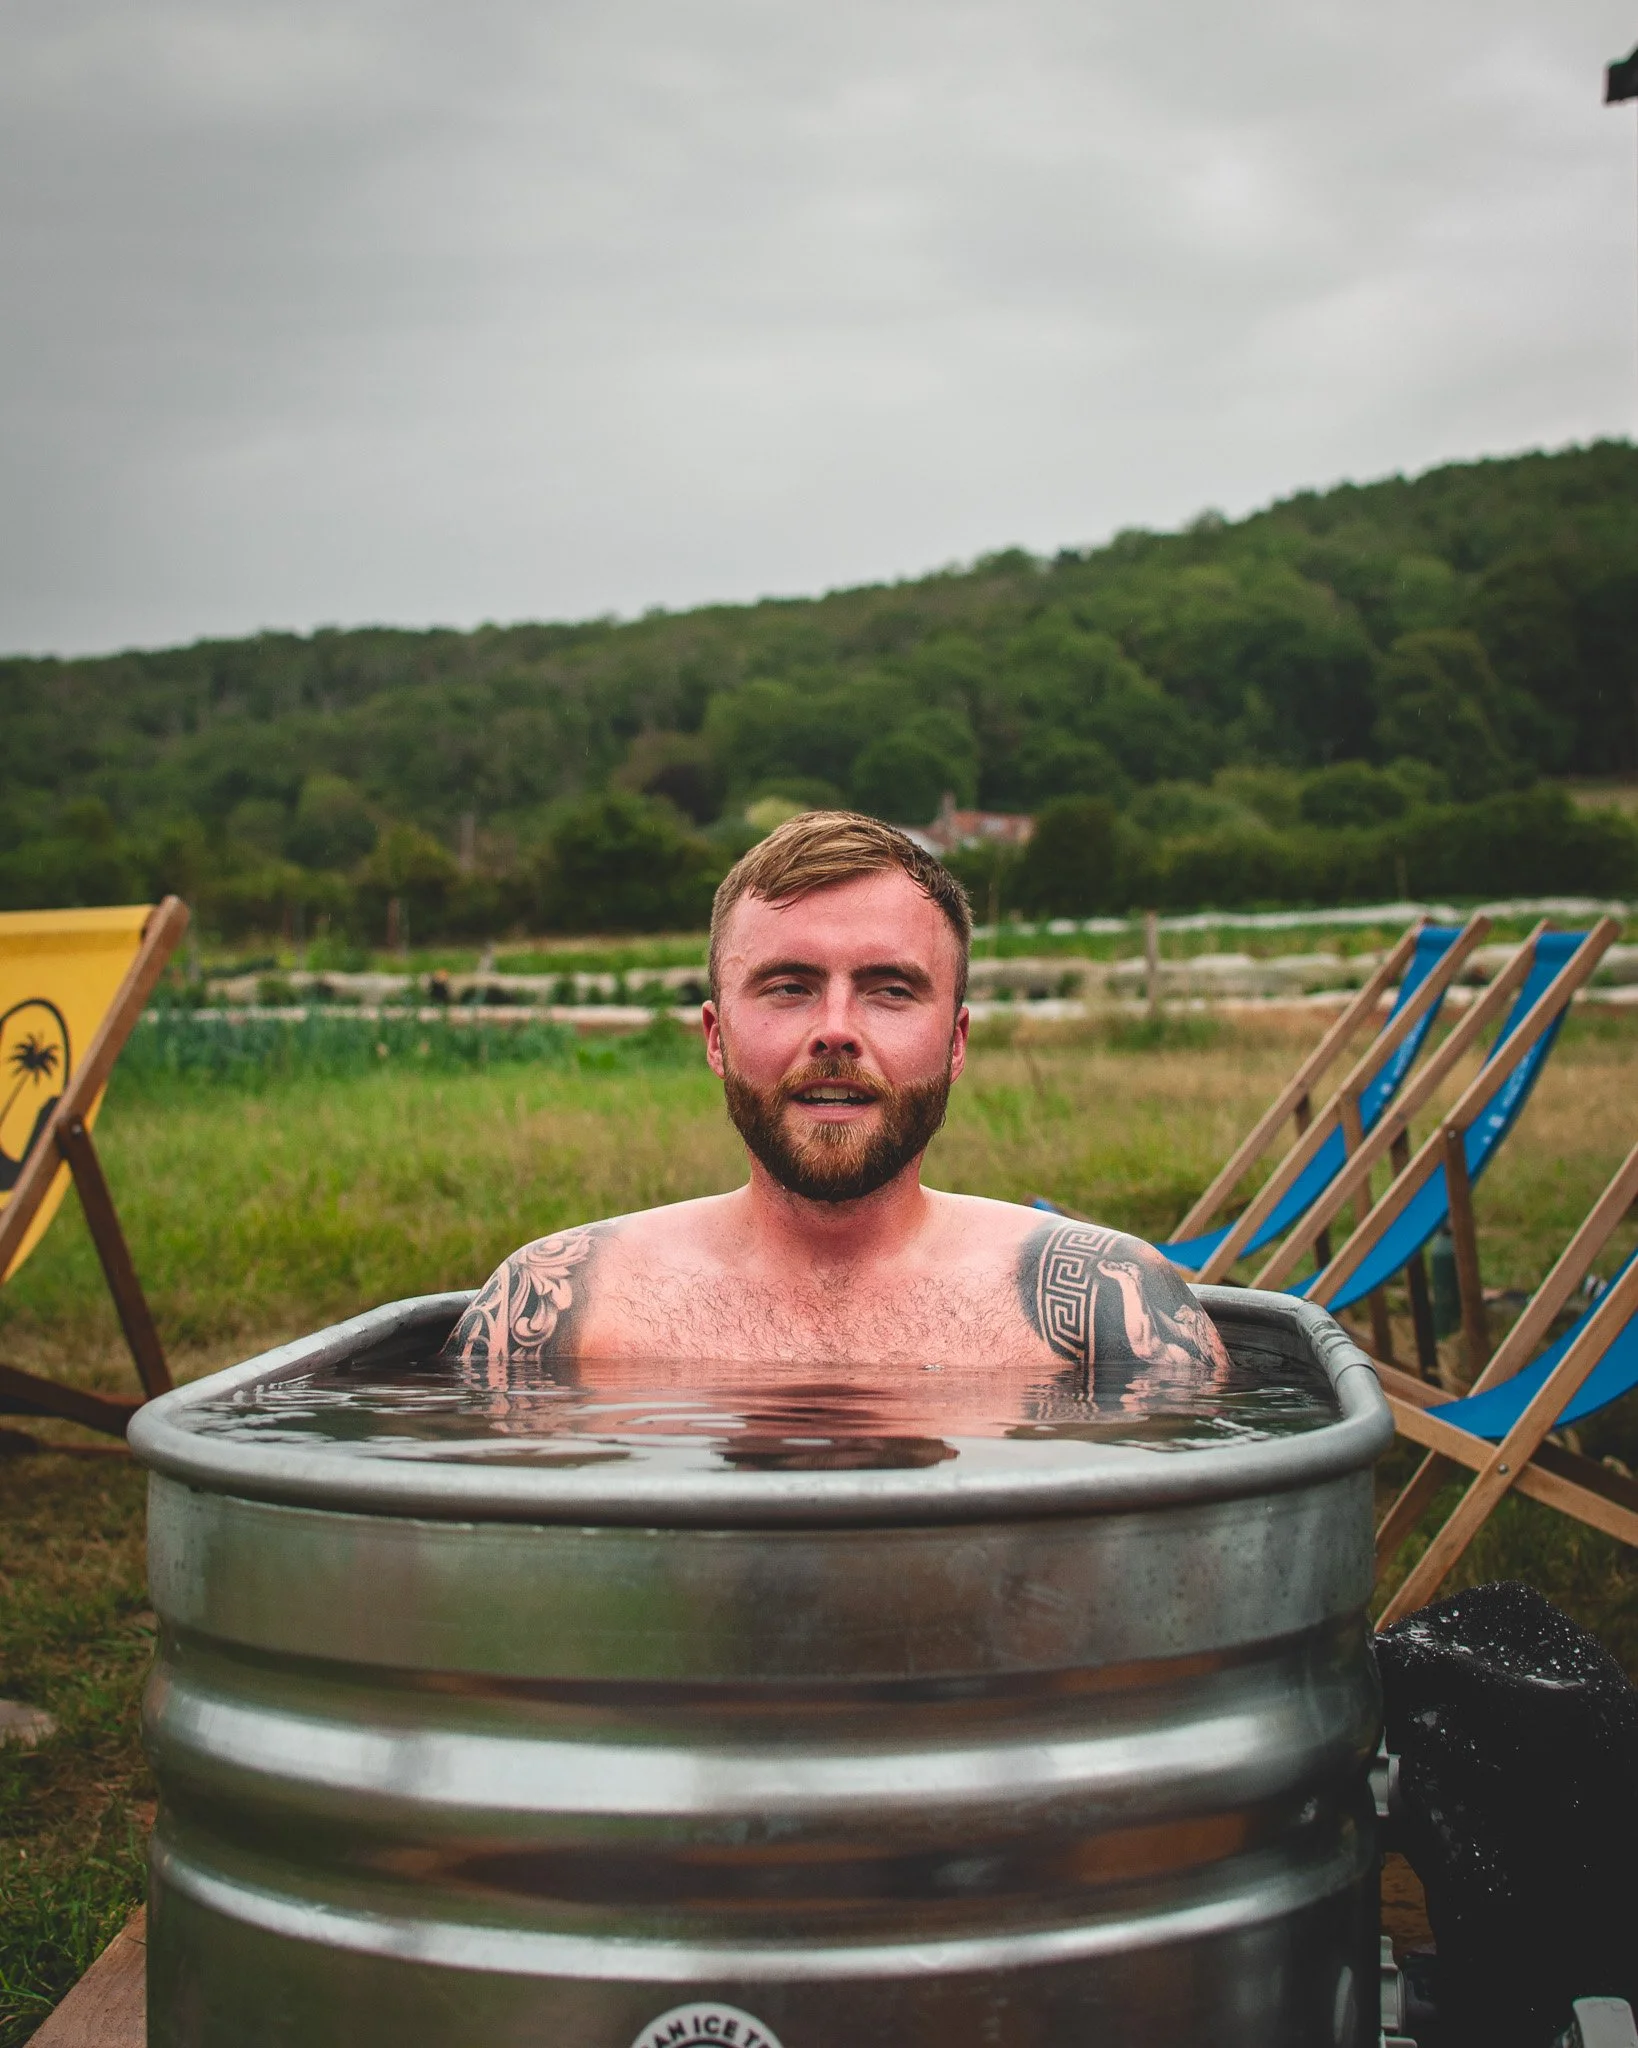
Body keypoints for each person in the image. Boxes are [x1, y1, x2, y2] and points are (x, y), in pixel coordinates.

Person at [444, 811, 1229, 1404]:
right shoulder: (558, 1311)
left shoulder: (1108, 1313)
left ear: (956, 1043)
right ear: (715, 1037)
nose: (836, 1033)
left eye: (890, 990)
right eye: (789, 987)